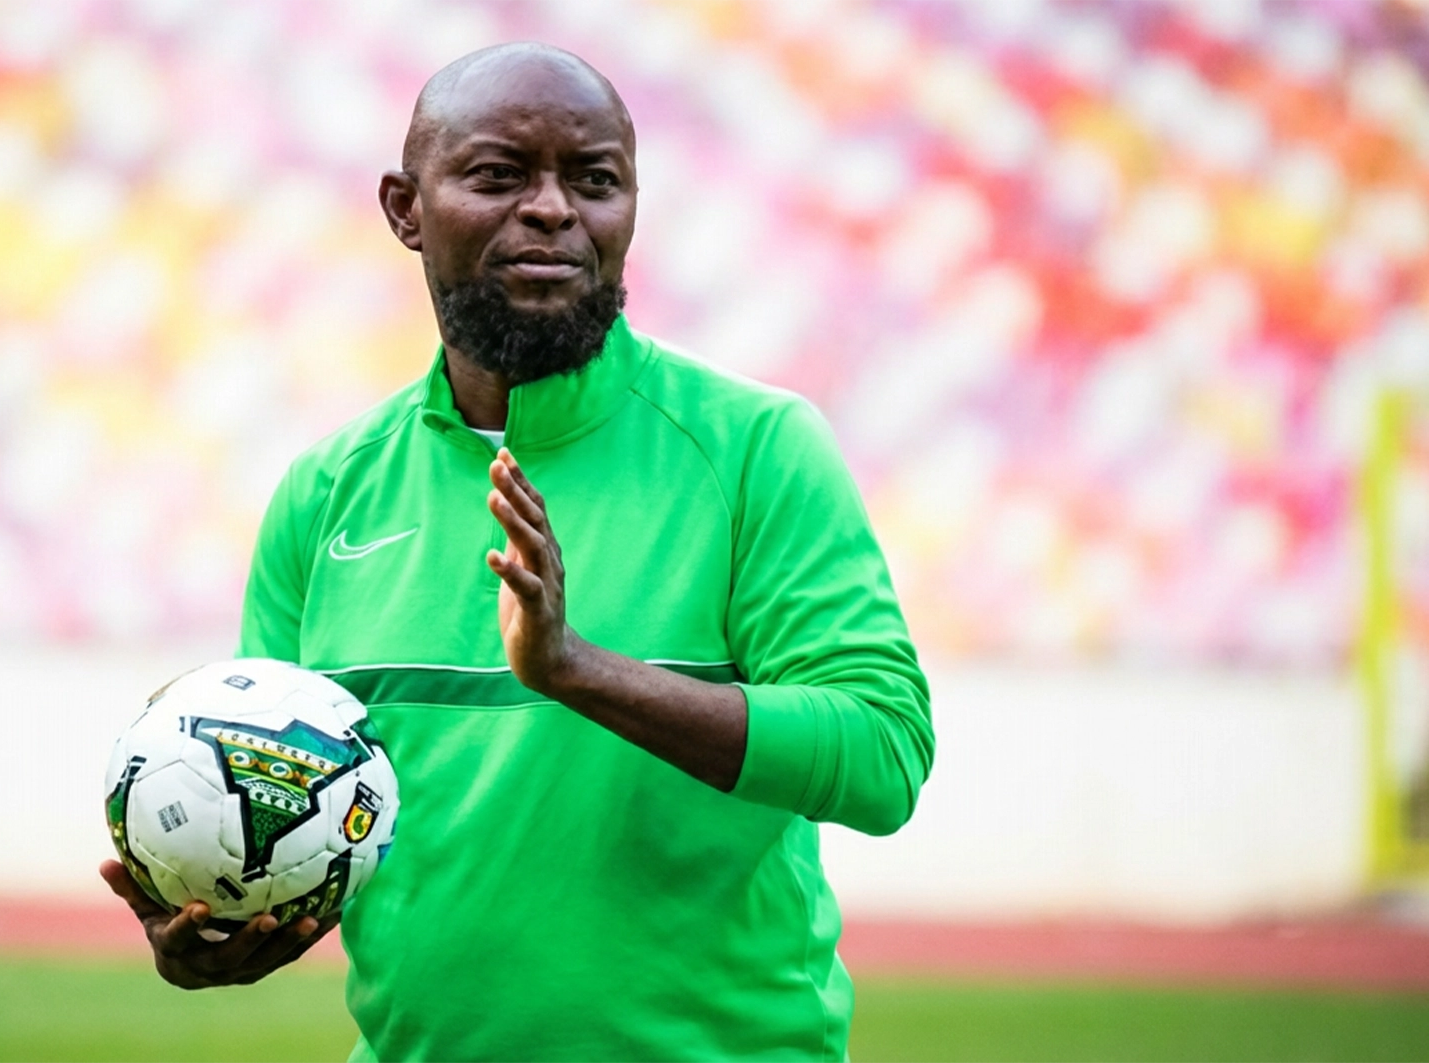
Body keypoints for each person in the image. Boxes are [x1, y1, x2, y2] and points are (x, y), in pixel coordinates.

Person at [102, 41, 934, 1062]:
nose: (552, 209)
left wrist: (579, 672)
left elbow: (882, 755)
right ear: (405, 208)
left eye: (595, 180)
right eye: (499, 175)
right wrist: (227, 916)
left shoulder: (757, 450)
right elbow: (296, 808)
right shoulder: (326, 494)